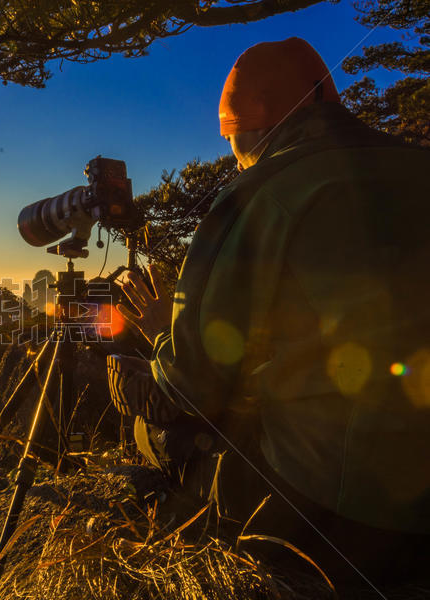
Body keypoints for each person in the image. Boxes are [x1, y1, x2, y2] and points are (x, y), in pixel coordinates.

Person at [109, 37, 430, 587]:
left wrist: (164, 334)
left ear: (248, 131)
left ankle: (194, 522)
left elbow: (192, 390)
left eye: (231, 139)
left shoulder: (259, 195)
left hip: (337, 504)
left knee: (148, 407)